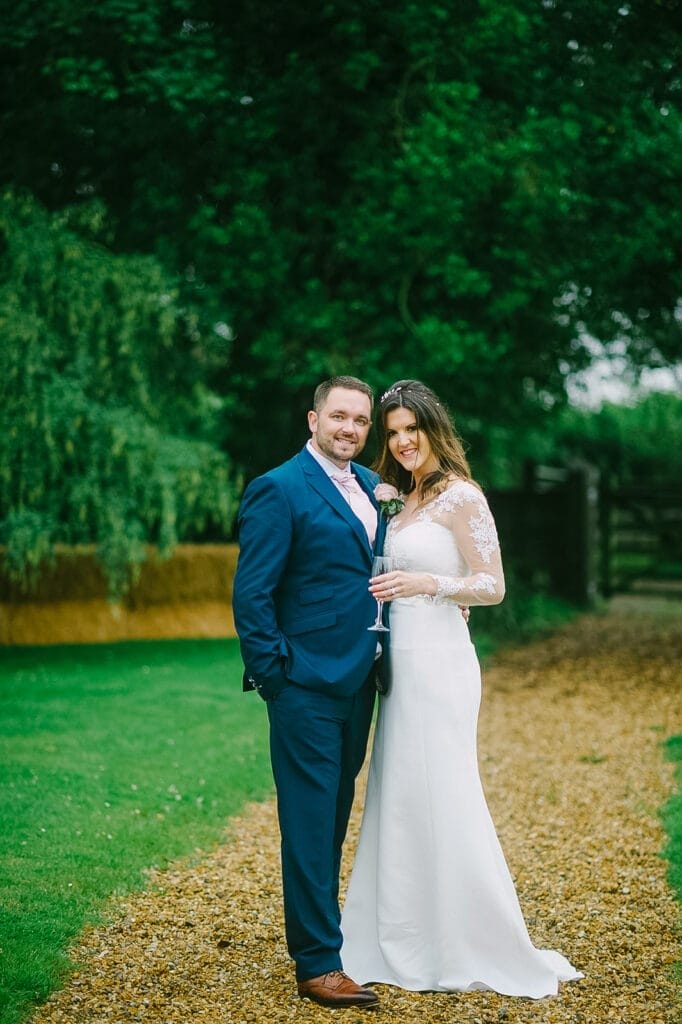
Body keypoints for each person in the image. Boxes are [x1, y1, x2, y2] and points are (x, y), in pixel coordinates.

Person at [340, 379, 583, 997]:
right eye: (391, 433)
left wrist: (429, 585)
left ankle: (463, 938)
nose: (400, 442)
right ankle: (396, 933)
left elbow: (493, 586)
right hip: (397, 662)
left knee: (442, 789)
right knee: (396, 791)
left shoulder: (461, 497)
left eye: (409, 430)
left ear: (432, 428)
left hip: (441, 661)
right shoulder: (396, 496)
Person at [232, 376, 387, 1009]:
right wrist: (275, 676)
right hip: (303, 686)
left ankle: (328, 943)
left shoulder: (379, 490)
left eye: (360, 420)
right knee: (308, 822)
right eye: (339, 417)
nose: (349, 429)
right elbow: (253, 593)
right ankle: (317, 964)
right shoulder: (279, 488)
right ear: (313, 418)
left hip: (360, 683)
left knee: (331, 822)